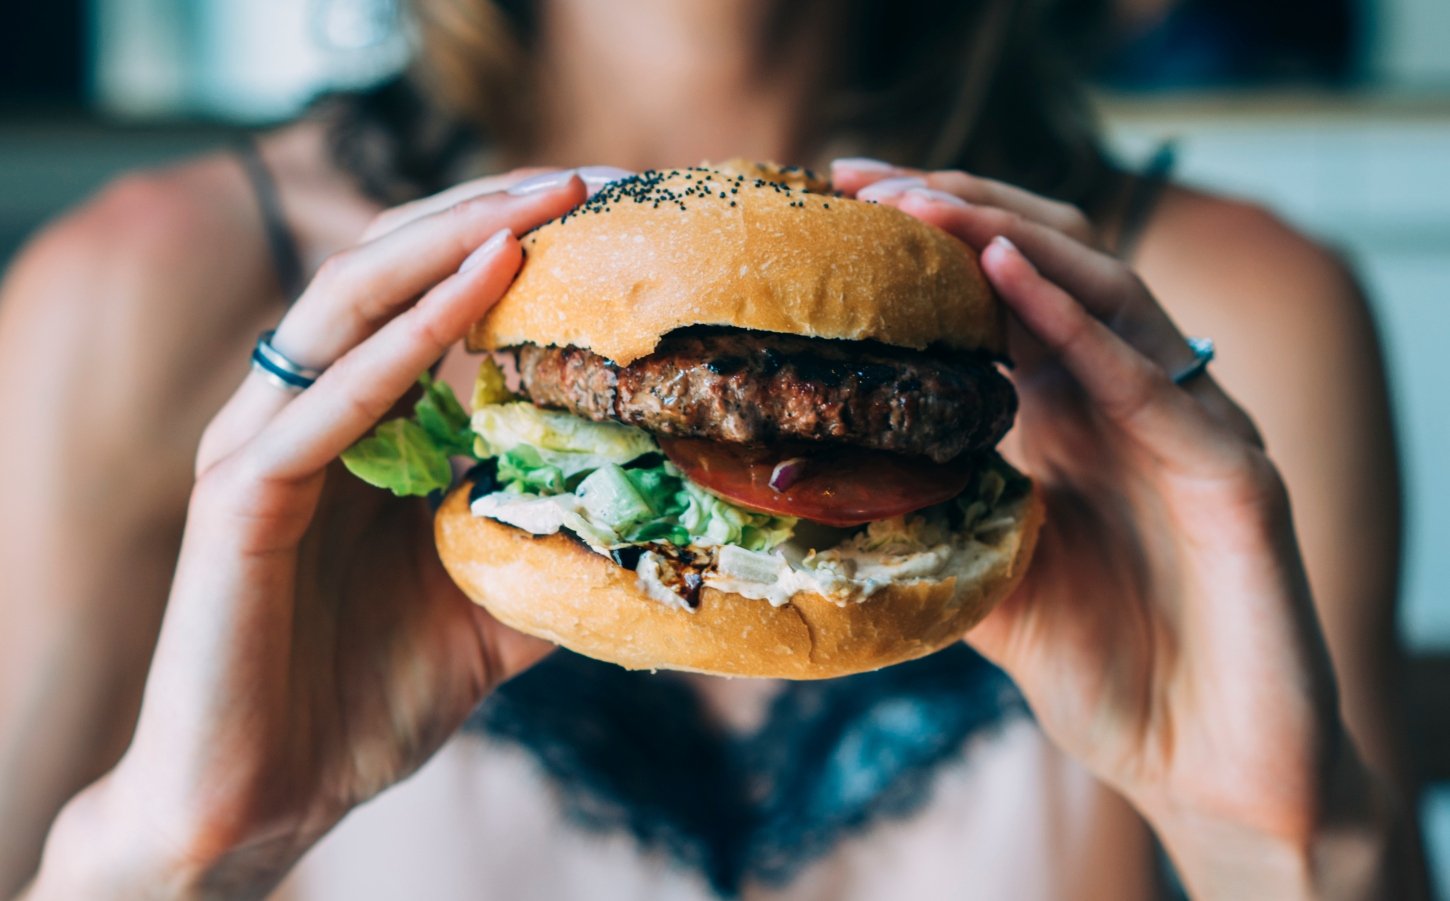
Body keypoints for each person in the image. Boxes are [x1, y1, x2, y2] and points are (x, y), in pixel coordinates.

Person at [0, 0, 1420, 897]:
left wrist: (1289, 853)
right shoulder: (141, 296)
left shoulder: (1221, 324)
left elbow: (1300, 844)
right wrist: (184, 859)